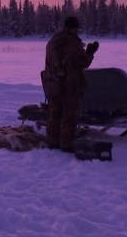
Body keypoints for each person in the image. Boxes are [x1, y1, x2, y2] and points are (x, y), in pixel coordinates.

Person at [41, 16, 99, 152]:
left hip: (52, 83)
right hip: (68, 84)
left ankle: (53, 141)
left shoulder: (53, 41)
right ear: (74, 28)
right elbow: (82, 62)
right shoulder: (72, 43)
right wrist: (90, 53)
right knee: (70, 114)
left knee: (54, 113)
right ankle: (67, 144)